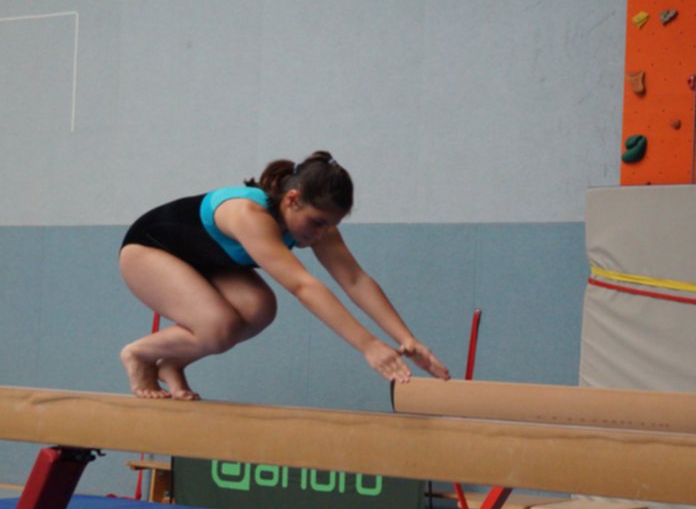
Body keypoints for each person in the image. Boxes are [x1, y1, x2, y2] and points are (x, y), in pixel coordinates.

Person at [119, 151, 450, 400]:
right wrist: (368, 345)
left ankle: (172, 363)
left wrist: (406, 338)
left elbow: (355, 280)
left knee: (260, 308)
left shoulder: (317, 226)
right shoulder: (250, 215)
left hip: (206, 262)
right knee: (218, 326)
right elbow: (303, 286)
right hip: (149, 251)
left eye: (330, 225)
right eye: (317, 223)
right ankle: (139, 353)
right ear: (293, 200)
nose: (321, 234)